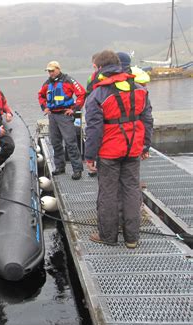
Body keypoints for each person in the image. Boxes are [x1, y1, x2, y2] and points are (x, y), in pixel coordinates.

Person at [84, 50, 153, 249]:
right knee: (131, 190)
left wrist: (90, 155)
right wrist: (145, 145)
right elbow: (147, 119)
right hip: (132, 149)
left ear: (99, 67)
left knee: (108, 193)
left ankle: (108, 236)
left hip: (109, 152)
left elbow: (94, 128)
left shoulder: (98, 93)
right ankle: (132, 238)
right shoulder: (139, 88)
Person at [38, 61, 86, 180]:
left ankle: (77, 169)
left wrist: (74, 109)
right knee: (55, 142)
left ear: (58, 69)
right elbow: (40, 95)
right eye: (49, 71)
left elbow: (82, 93)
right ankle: (60, 167)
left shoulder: (68, 80)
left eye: (52, 71)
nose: (50, 73)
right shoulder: (47, 83)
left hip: (65, 115)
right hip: (53, 116)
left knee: (70, 142)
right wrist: (45, 107)